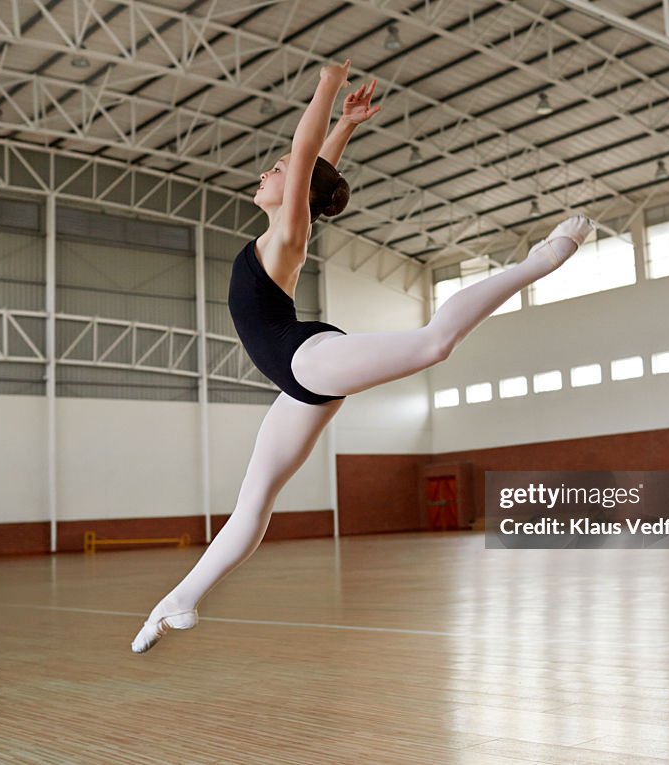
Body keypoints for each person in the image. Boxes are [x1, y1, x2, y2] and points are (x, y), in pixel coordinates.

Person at [131, 60, 593, 653]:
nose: (267, 172)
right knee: (254, 501)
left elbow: (305, 162)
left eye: (277, 169)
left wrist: (326, 87)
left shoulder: (287, 234)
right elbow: (313, 168)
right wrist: (345, 124)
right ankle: (177, 603)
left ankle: (540, 261)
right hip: (297, 383)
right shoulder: (282, 228)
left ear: (295, 189)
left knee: (434, 342)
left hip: (305, 359)